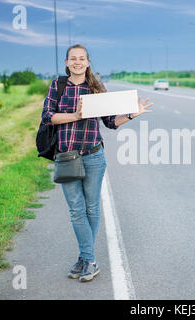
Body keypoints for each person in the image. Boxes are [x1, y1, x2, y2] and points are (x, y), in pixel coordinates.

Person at [41, 44, 153, 282]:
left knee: (91, 208)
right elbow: (48, 117)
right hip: (67, 156)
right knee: (76, 210)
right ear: (66, 62)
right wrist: (76, 116)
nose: (77, 62)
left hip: (93, 155)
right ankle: (89, 259)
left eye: (82, 58)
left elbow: (111, 122)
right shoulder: (57, 86)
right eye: (73, 58)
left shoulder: (96, 88)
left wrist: (133, 114)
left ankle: (85, 259)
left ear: (88, 62)